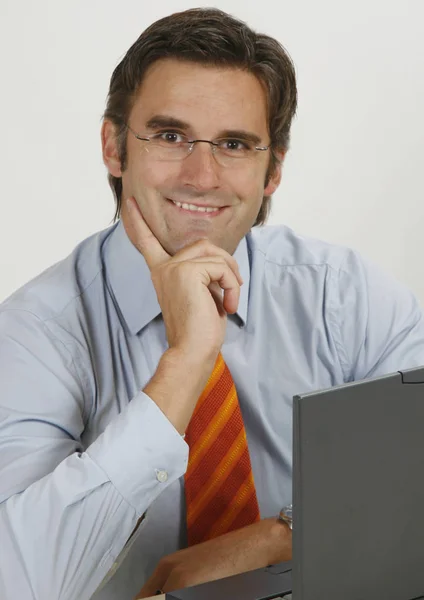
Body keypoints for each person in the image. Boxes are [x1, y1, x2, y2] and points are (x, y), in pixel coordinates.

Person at [1, 7, 423, 600]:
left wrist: (281, 537)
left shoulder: (343, 296)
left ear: (272, 170)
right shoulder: (33, 336)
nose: (202, 176)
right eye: (171, 136)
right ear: (114, 147)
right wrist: (186, 361)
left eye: (234, 144)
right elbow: (20, 583)